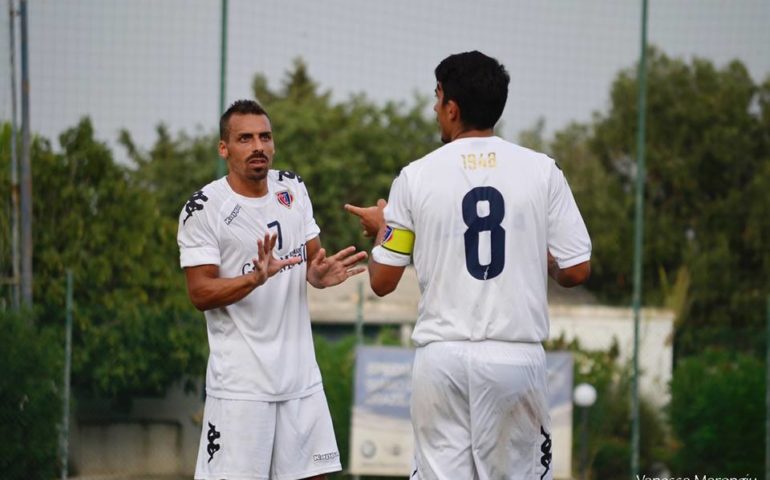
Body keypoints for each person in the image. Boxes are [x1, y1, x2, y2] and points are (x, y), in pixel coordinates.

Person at [345, 51, 591, 480]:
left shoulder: (415, 177)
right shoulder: (542, 171)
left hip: (443, 361)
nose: (435, 108)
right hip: (515, 359)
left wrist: (385, 226)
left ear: (452, 107)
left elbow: (383, 281)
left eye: (437, 97)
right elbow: (576, 270)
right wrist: (538, 257)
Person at [178, 99, 367, 480]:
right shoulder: (204, 208)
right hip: (241, 387)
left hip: (300, 380)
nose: (258, 146)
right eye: (245, 138)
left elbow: (312, 260)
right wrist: (253, 278)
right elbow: (199, 293)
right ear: (224, 148)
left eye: (265, 137)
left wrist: (318, 274)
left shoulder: (293, 189)